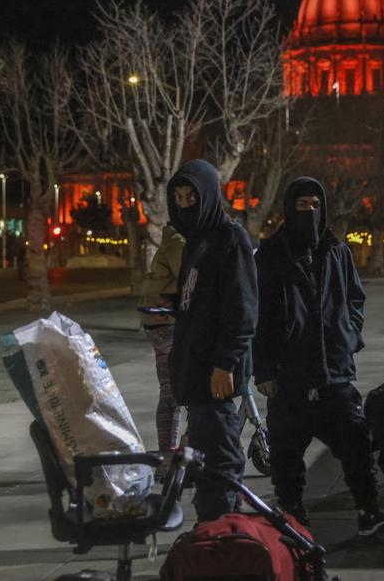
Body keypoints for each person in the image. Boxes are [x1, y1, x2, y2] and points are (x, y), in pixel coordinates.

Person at [253, 177, 384, 537]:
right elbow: (259, 317)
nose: (310, 212)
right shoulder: (270, 255)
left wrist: (349, 334)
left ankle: (368, 511)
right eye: (302, 206)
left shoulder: (337, 251)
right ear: (289, 208)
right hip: (288, 376)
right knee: (285, 458)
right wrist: (264, 369)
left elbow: (355, 299)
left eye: (316, 206)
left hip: (335, 373)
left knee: (357, 445)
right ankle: (293, 521)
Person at [167, 159, 258, 522]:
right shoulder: (196, 243)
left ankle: (221, 536)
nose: (186, 204)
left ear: (209, 196)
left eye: (193, 197)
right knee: (205, 461)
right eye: (179, 197)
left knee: (221, 461)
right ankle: (214, 533)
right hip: (196, 373)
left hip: (215, 374)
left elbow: (242, 309)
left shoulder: (230, 238)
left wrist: (226, 362)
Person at [140, 222, 185, 453]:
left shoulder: (172, 238)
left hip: (157, 321)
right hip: (167, 322)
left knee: (170, 391)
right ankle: (173, 453)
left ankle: (168, 454)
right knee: (180, 390)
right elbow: (188, 277)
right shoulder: (179, 241)